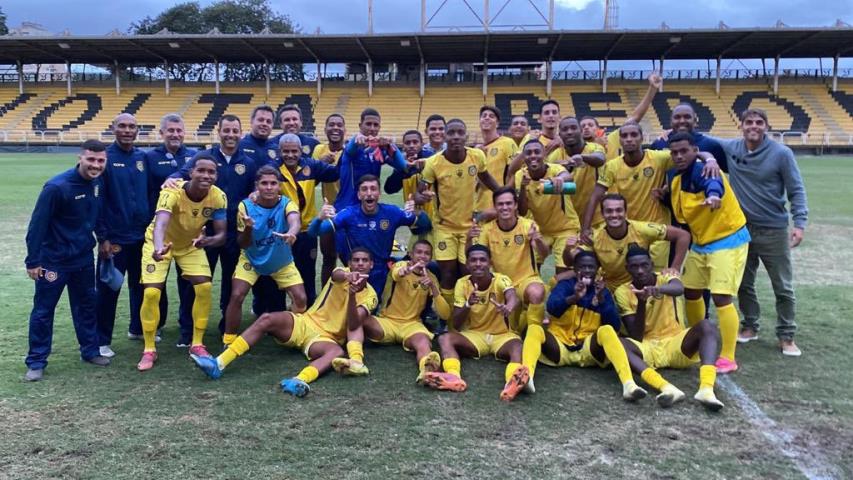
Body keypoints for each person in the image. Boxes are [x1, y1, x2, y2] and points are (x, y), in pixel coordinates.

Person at [191, 249, 379, 397]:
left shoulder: (371, 296)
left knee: (336, 352)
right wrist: (347, 277)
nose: (360, 264)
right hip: (305, 322)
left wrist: (352, 295)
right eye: (356, 260)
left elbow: (353, 324)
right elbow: (336, 274)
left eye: (364, 261)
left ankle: (299, 380)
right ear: (349, 263)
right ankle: (219, 363)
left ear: (371, 264)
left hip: (326, 339)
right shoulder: (341, 273)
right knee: (266, 318)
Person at [710, 108, 809, 357]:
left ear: (766, 126)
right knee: (744, 283)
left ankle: (786, 335)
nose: (753, 126)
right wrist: (673, 134)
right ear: (741, 125)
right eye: (749, 122)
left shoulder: (782, 154)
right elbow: (704, 141)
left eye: (759, 122)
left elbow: (796, 189)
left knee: (782, 285)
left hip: (773, 229)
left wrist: (799, 223)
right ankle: (750, 326)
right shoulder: (732, 147)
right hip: (741, 230)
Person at [24, 140, 112, 381]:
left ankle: (90, 351)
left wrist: (103, 237)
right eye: (91, 159)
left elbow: (97, 214)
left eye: (101, 160)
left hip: (83, 259)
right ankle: (36, 362)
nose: (96, 165)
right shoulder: (56, 187)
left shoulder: (97, 183)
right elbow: (37, 226)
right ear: (79, 158)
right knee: (43, 311)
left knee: (86, 306)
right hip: (53, 261)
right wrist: (33, 261)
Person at [165, 115, 258, 334]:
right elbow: (182, 173)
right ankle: (187, 328)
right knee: (194, 281)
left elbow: (253, 191)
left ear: (241, 133)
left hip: (233, 233)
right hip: (203, 232)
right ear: (219, 131)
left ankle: (227, 324)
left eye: (235, 131)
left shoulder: (248, 163)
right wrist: (172, 178)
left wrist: (255, 194)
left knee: (230, 281)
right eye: (227, 130)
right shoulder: (205, 157)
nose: (230, 135)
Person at [581, 123, 719, 269]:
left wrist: (710, 160)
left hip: (658, 228)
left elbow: (691, 153)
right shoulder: (612, 166)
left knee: (656, 274)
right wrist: (585, 228)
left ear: (642, 138)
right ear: (620, 140)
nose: (629, 139)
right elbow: (595, 196)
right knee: (632, 273)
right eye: (624, 136)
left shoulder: (658, 158)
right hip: (630, 230)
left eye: (634, 135)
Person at [666, 132, 750, 373]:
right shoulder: (675, 178)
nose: (679, 156)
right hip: (701, 242)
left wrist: (713, 196)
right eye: (675, 152)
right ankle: (699, 338)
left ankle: (728, 356)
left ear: (695, 151)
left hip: (727, 240)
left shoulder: (706, 169)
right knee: (691, 291)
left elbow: (714, 185)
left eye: (684, 151)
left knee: (721, 297)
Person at [137, 154, 227, 371]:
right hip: (159, 243)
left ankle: (197, 344)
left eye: (211, 172)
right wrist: (158, 248)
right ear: (191, 172)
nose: (206, 175)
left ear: (216, 175)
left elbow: (222, 235)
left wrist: (207, 240)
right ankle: (149, 349)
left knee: (204, 287)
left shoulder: (218, 196)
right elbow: (160, 224)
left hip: (189, 245)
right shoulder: (171, 191)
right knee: (152, 293)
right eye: (201, 170)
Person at [521, 251, 647, 401]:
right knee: (534, 329)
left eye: (591, 267)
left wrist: (601, 300)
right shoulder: (565, 285)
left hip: (588, 350)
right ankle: (527, 377)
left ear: (597, 269)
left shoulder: (603, 292)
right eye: (582, 267)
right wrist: (574, 297)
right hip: (559, 346)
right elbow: (552, 308)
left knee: (606, 330)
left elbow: (614, 325)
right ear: (575, 269)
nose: (587, 271)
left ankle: (629, 384)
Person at [614, 246, 724, 410]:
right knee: (618, 343)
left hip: (676, 344)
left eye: (644, 265)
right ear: (627, 268)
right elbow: (636, 335)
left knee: (707, 325)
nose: (640, 271)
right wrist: (642, 302)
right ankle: (664, 386)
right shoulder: (622, 291)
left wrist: (656, 290)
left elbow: (678, 289)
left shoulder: (666, 277)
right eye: (634, 267)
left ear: (652, 265)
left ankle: (706, 389)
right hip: (647, 348)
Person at [421, 245, 532, 402]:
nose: (478, 264)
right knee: (445, 338)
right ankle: (453, 376)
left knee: (517, 346)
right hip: (475, 336)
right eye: (473, 260)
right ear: (467, 264)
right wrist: (468, 304)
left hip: (502, 336)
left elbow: (512, 296)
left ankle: (512, 383)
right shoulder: (462, 283)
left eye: (482, 260)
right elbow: (457, 324)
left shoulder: (501, 279)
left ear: (490, 263)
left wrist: (508, 307)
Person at [415, 118, 501, 311]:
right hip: (444, 227)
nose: (455, 137)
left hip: (470, 227)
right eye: (451, 133)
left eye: (460, 133)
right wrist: (423, 196)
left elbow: (487, 179)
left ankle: (471, 312)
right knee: (447, 273)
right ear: (445, 136)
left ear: (466, 136)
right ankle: (448, 317)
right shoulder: (434, 163)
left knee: (468, 271)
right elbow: (419, 193)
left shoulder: (477, 156)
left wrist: (504, 195)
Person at [308, 174, 430, 298]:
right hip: (358, 272)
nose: (369, 193)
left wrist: (416, 212)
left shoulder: (392, 213)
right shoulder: (348, 215)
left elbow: (426, 225)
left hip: (384, 271)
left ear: (379, 193)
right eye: (364, 189)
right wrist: (319, 218)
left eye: (373, 189)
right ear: (359, 195)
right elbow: (314, 232)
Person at [222, 166, 305, 346]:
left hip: (281, 262)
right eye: (264, 183)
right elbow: (243, 243)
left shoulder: (287, 203)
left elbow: (295, 220)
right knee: (237, 295)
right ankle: (228, 340)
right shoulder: (245, 206)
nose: (269, 187)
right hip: (251, 260)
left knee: (301, 299)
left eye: (273, 183)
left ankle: (291, 333)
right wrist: (249, 228)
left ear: (279, 186)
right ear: (257, 185)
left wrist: (292, 233)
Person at [95, 113, 150, 357]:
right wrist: (103, 237)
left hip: (140, 237)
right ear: (113, 128)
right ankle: (101, 340)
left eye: (132, 126)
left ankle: (137, 329)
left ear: (137, 130)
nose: (127, 130)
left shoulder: (142, 157)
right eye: (123, 126)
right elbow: (98, 201)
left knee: (141, 285)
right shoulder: (105, 159)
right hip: (115, 239)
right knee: (109, 289)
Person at [363, 240, 450, 382]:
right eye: (419, 252)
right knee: (360, 319)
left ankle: (426, 371)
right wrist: (404, 271)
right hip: (387, 322)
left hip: (412, 325)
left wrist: (433, 288)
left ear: (431, 257)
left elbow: (445, 314)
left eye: (427, 253)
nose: (422, 256)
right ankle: (354, 357)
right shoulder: (401, 265)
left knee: (423, 342)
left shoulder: (431, 278)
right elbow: (397, 273)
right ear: (411, 254)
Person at [145, 113, 197, 347]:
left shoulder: (194, 156)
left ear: (184, 133)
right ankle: (157, 324)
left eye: (179, 130)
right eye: (171, 130)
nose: (175, 134)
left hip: (187, 232)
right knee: (158, 281)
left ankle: (186, 328)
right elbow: (146, 191)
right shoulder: (149, 158)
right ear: (162, 133)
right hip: (160, 230)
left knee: (187, 282)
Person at [571, 193, 690, 292]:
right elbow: (572, 259)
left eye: (619, 210)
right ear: (602, 214)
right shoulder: (595, 236)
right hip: (610, 290)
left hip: (641, 286)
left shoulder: (642, 229)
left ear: (625, 212)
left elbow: (683, 236)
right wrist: (568, 249)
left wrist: (675, 267)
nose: (614, 215)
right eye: (609, 211)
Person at [469, 187, 548, 334]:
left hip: (526, 280)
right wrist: (469, 239)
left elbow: (544, 255)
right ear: (495, 206)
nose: (505, 207)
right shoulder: (487, 230)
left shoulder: (528, 225)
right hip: (502, 285)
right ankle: (523, 318)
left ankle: (534, 333)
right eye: (500, 204)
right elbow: (476, 258)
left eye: (508, 203)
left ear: (516, 205)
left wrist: (538, 240)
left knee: (536, 292)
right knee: (511, 330)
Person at [276, 133, 340, 306]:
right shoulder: (273, 169)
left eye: (294, 151)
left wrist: (348, 152)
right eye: (286, 151)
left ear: (301, 151)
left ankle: (309, 308)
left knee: (307, 274)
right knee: (279, 274)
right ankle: (278, 310)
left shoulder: (311, 165)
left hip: (307, 231)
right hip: (282, 233)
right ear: (280, 151)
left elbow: (335, 173)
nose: (290, 155)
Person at [513, 139, 577, 274]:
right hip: (541, 231)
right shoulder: (520, 175)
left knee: (563, 269)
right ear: (524, 157)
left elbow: (567, 176)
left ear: (544, 155)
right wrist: (523, 187)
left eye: (537, 152)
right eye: (528, 153)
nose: (533, 156)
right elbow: (522, 211)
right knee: (535, 268)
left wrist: (560, 179)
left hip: (565, 228)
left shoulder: (555, 169)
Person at [334, 108, 407, 210]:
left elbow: (403, 166)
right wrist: (356, 138)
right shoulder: (352, 146)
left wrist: (390, 146)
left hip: (368, 208)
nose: (372, 128)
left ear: (379, 127)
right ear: (360, 125)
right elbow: (350, 149)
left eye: (375, 125)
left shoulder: (379, 150)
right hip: (347, 207)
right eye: (368, 124)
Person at [546, 116, 607, 228]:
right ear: (560, 135)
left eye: (573, 128)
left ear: (580, 130)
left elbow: (600, 159)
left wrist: (583, 157)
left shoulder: (594, 148)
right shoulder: (554, 157)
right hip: (568, 222)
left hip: (597, 219)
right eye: (565, 129)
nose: (569, 132)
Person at [384, 130, 435, 250]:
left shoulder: (430, 158)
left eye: (415, 142)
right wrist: (404, 169)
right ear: (403, 146)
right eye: (408, 143)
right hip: (416, 219)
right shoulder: (402, 164)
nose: (411, 145)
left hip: (435, 219)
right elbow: (389, 188)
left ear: (422, 144)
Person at [313, 113, 347, 285]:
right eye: (331, 124)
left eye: (339, 125)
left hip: (349, 210)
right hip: (329, 211)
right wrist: (320, 165)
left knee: (350, 257)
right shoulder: (319, 150)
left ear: (345, 129)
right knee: (328, 257)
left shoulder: (350, 151)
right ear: (325, 128)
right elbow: (310, 181)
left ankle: (356, 294)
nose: (335, 128)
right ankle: (326, 295)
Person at [476, 105, 521, 211]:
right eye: (484, 116)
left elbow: (514, 173)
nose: (487, 118)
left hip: (499, 206)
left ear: (497, 123)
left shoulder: (507, 142)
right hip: (479, 206)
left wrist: (504, 197)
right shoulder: (476, 150)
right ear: (480, 121)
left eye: (491, 116)